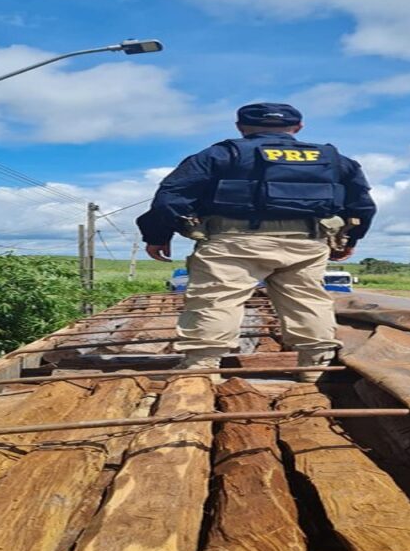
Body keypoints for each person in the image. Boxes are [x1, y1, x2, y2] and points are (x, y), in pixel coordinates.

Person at [136, 103, 377, 381]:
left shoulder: (222, 153)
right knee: (307, 300)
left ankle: (202, 367)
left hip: (232, 242)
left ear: (240, 127)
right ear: (297, 128)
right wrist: (350, 240)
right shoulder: (334, 159)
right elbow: (362, 206)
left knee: (216, 300)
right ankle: (316, 368)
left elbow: (169, 198)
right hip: (307, 244)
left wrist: (157, 235)